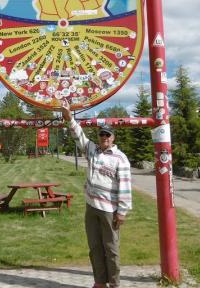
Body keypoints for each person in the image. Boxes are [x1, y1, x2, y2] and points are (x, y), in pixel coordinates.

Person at [60, 100, 132, 288]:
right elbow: (78, 135)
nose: (104, 137)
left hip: (110, 210)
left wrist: (122, 212)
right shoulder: (92, 150)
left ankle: (114, 284)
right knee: (94, 247)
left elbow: (125, 187)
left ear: (113, 137)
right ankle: (100, 282)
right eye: (102, 134)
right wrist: (68, 117)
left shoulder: (121, 159)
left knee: (111, 248)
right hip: (91, 207)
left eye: (108, 134)